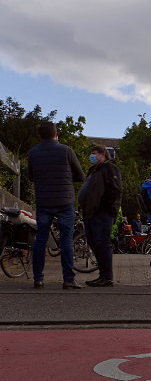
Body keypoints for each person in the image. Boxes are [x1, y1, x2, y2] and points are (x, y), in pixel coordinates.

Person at [27, 121, 86, 289]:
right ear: (56, 134)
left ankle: (38, 278)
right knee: (66, 240)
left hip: (44, 201)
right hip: (65, 201)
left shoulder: (33, 153)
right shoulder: (66, 151)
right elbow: (81, 176)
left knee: (40, 240)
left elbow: (31, 177)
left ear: (40, 136)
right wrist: (66, 179)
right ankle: (68, 279)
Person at [78, 145, 122, 287]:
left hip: (101, 213)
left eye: (94, 153)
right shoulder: (95, 170)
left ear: (103, 154)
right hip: (91, 212)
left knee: (102, 242)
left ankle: (107, 276)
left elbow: (115, 190)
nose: (91, 156)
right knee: (94, 242)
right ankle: (103, 275)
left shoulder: (109, 168)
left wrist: (104, 208)